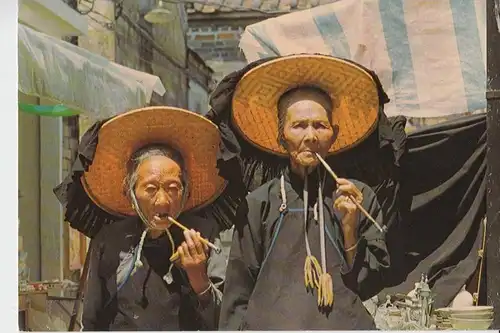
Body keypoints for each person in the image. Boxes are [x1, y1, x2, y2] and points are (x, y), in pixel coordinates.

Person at [217, 55, 390, 330]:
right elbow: (237, 294)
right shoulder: (258, 203)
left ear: (333, 135)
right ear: (281, 136)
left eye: (320, 126)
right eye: (298, 125)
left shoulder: (359, 197)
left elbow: (370, 283)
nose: (310, 136)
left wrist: (349, 229)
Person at [54, 106, 227, 330]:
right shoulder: (110, 240)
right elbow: (92, 320)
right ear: (130, 192)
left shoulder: (203, 236)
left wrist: (199, 278)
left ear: (186, 191)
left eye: (173, 188)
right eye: (151, 188)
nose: (163, 201)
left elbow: (225, 321)